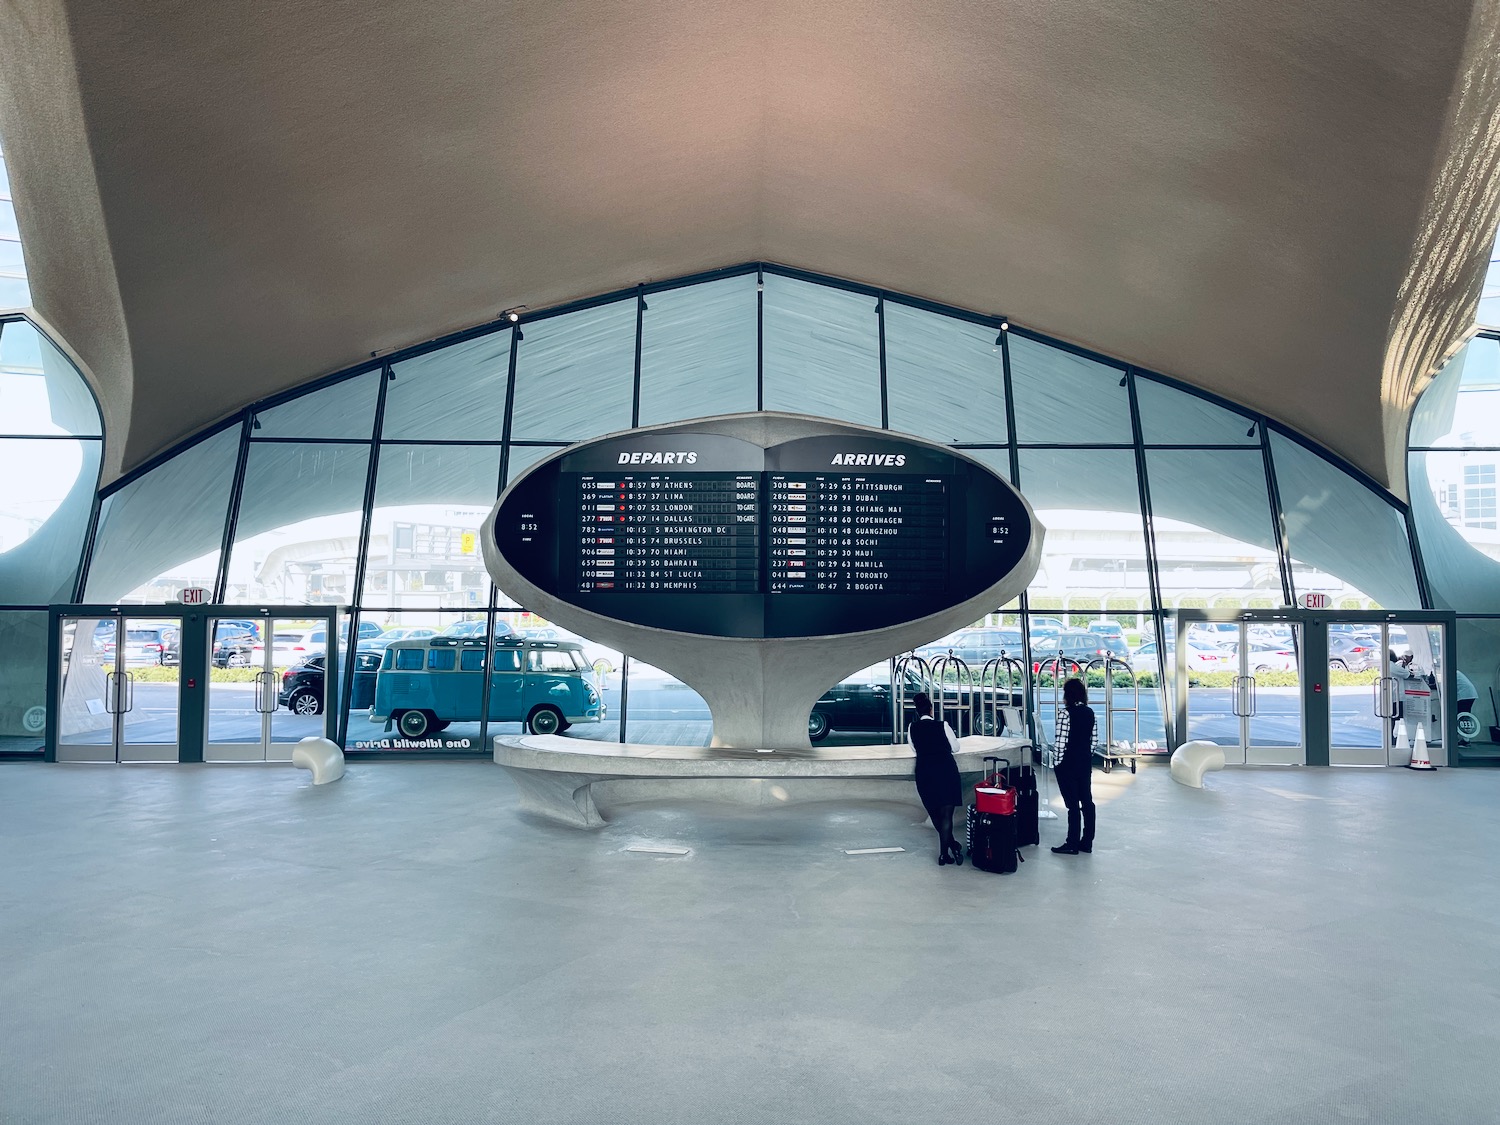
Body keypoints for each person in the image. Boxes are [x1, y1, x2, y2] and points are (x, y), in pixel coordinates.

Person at [908, 692, 964, 866]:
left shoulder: (912, 728)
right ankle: (946, 852)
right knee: (946, 815)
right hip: (946, 770)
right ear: (931, 710)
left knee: (935, 814)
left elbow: (914, 750)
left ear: (918, 712)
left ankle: (951, 848)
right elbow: (956, 748)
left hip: (925, 773)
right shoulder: (943, 725)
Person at [1051, 677, 1096, 855]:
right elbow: (1094, 740)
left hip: (1068, 764)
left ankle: (1072, 843)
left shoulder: (1065, 714)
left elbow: (1060, 742)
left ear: (1067, 695)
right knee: (1087, 801)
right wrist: (1086, 755)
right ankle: (1087, 842)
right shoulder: (1090, 712)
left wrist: (1057, 763)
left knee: (1072, 805)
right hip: (1084, 763)